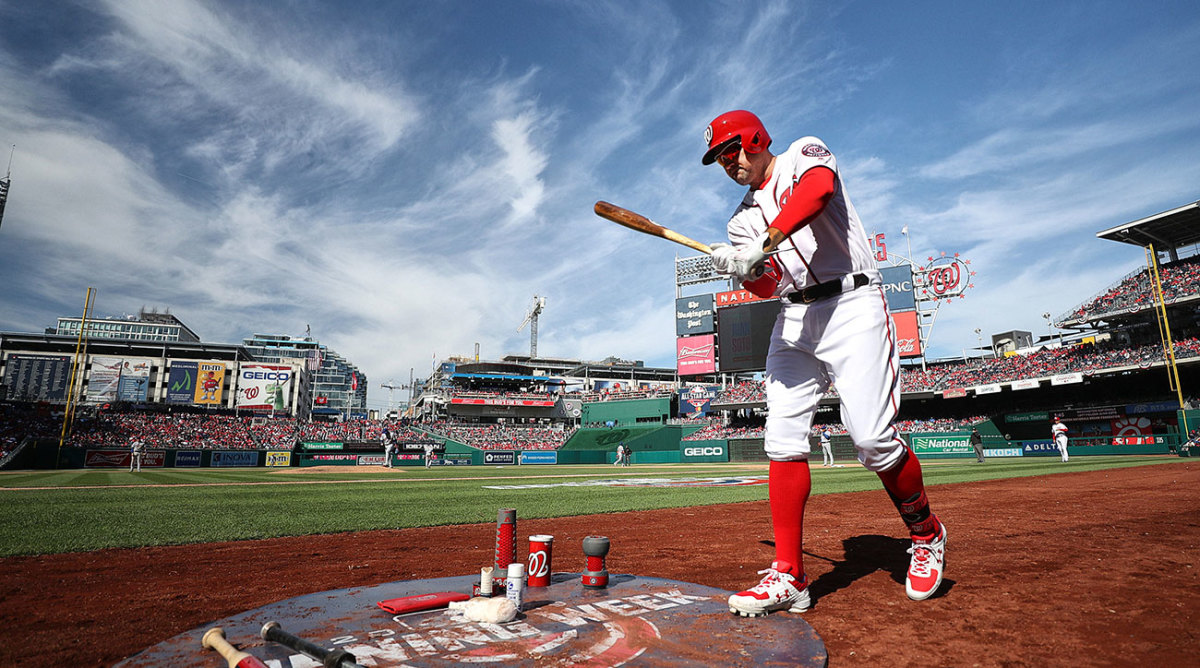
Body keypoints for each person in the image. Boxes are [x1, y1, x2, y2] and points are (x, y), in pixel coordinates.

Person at [702, 110, 947, 616]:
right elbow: (768, 284)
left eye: (732, 150)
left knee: (873, 441)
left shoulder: (803, 154)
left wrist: (762, 244)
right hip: (795, 318)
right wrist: (740, 269)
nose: (729, 163)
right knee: (783, 438)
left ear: (755, 139)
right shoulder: (739, 220)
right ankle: (790, 575)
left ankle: (925, 532)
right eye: (720, 158)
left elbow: (817, 193)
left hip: (852, 305)